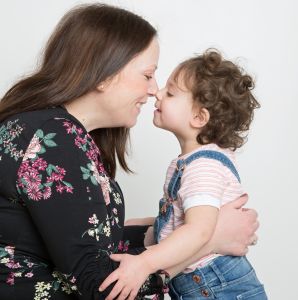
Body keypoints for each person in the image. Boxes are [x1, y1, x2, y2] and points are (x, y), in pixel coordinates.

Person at [0, 4, 259, 300]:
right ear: (104, 75)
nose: (154, 90)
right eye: (148, 75)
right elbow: (97, 286)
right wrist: (210, 239)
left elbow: (92, 245)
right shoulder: (52, 140)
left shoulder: (52, 132)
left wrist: (178, 227)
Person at [100, 50, 267, 300]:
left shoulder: (203, 168)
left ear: (199, 117)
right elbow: (182, 216)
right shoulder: (196, 161)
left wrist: (144, 263)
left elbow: (198, 231)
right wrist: (145, 225)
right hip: (206, 284)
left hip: (216, 287)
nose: (157, 93)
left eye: (170, 93)